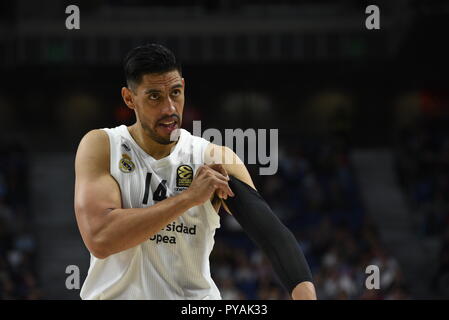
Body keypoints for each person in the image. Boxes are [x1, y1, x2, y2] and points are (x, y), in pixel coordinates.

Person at [74, 43, 316, 300]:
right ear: (129, 98)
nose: (169, 108)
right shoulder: (103, 146)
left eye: (175, 93)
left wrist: (306, 295)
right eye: (154, 96)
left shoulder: (213, 157)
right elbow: (101, 238)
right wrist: (189, 198)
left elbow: (272, 236)